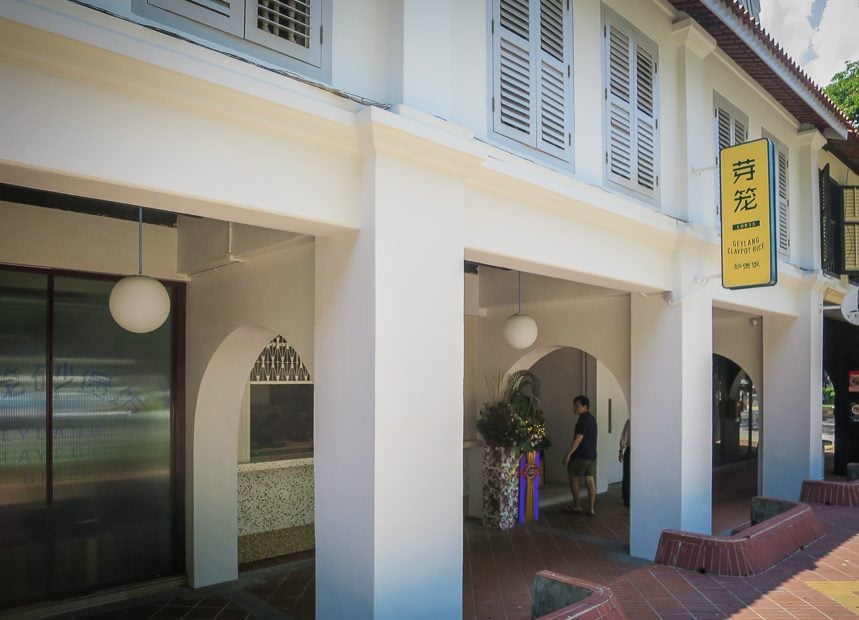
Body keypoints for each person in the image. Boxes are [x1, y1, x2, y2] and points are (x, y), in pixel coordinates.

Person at [562, 395, 597, 515]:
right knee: (590, 480)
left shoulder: (583, 420)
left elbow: (578, 439)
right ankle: (591, 509)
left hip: (580, 455)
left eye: (577, 405)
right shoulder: (592, 419)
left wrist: (568, 454)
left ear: (585, 406)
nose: (574, 408)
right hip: (591, 455)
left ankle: (577, 506)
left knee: (574, 479)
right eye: (574, 405)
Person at [619, 418, 630, 507]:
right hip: (644, 451)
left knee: (627, 475)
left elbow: (624, 437)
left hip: (630, 451)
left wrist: (621, 450)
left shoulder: (630, 421)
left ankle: (628, 499)